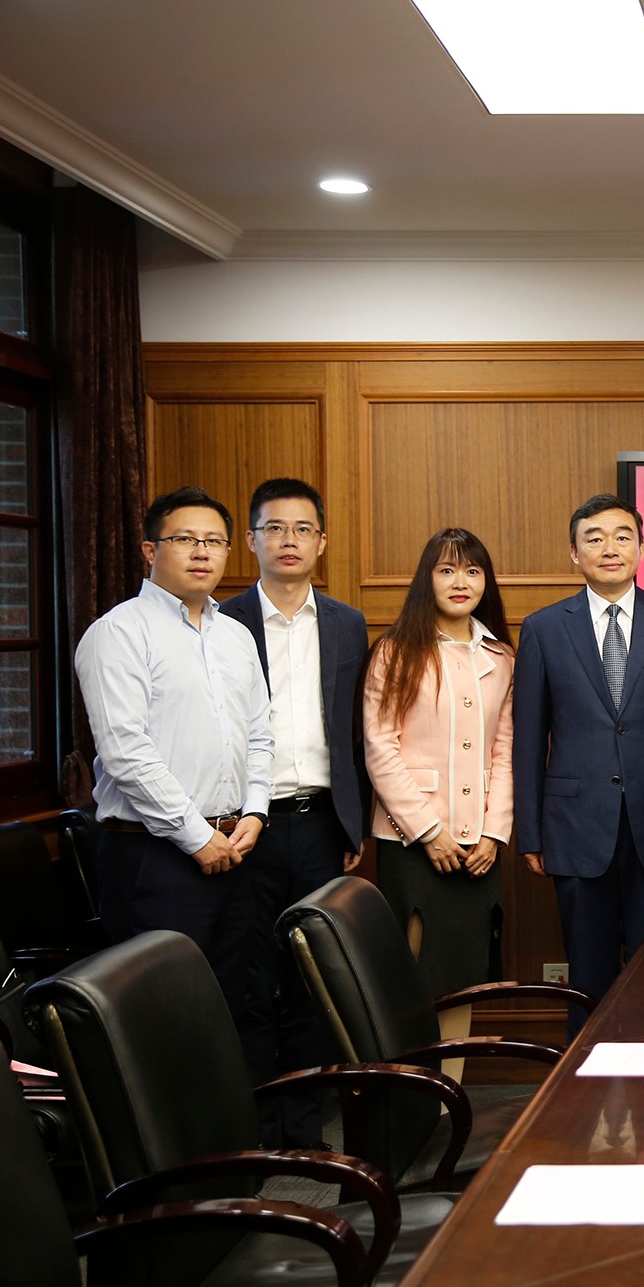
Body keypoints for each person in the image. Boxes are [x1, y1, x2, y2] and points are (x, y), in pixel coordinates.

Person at [216, 477, 369, 1149]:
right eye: (274, 527)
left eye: (302, 528)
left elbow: (356, 729)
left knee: (312, 976)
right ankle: (257, 1128)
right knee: (248, 977)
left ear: (322, 542)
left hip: (319, 821)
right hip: (243, 825)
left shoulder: (346, 623)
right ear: (251, 540)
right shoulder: (221, 622)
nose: (289, 540)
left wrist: (353, 820)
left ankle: (305, 1130)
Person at [515, 494, 644, 1035]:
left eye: (622, 537)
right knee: (587, 975)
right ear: (574, 553)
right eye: (594, 539)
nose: (610, 548)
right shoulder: (545, 627)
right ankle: (585, 1080)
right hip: (576, 828)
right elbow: (529, 737)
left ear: (642, 548)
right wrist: (532, 832)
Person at [75, 486, 272, 965]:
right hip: (153, 855)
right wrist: (195, 836)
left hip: (234, 849)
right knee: (164, 1002)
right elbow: (126, 752)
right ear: (150, 550)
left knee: (233, 994)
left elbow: (260, 736)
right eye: (185, 539)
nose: (202, 552)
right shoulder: (118, 632)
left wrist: (256, 811)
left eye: (214, 541)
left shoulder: (237, 636)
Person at [362, 528, 515, 1000]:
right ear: (426, 579)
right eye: (446, 570)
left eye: (472, 571)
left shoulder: (501, 657)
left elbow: (505, 750)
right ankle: (411, 1057)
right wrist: (428, 832)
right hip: (411, 842)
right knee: (412, 979)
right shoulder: (395, 651)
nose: (460, 582)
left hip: (478, 849)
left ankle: (454, 1056)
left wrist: (494, 833)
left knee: (464, 978)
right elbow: (380, 747)